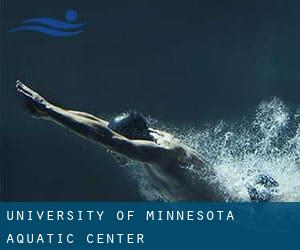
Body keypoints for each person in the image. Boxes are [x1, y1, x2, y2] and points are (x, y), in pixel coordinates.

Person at [15, 80, 278, 201]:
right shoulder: (146, 139)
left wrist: (48, 109)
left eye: (115, 146)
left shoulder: (162, 154)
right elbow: (99, 125)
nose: (110, 151)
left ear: (132, 140)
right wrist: (51, 113)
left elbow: (106, 137)